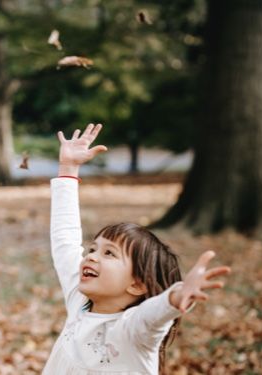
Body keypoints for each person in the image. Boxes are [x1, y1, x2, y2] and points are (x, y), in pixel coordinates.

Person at [43, 124, 231, 374]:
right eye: (93, 249)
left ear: (138, 284)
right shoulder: (79, 302)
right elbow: (65, 238)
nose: (92, 257)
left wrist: (177, 295)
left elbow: (154, 315)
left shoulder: (133, 331)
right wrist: (68, 169)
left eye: (109, 253)